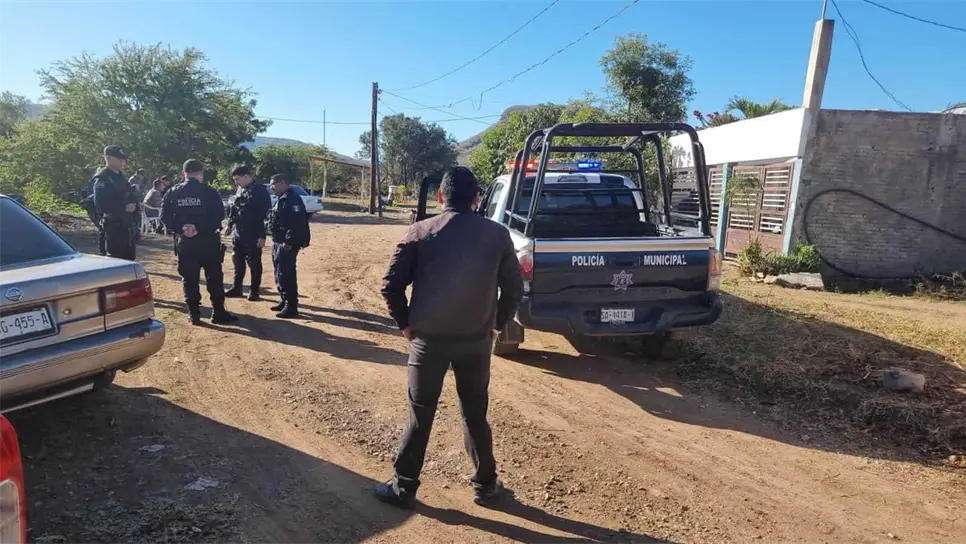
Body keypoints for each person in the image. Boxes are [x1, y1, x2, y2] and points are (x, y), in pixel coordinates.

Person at [375, 166, 525, 509]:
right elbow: (514, 289)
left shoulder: (420, 231)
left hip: (428, 340)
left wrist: (405, 324)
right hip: (476, 341)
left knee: (420, 412)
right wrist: (496, 325)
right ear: (476, 200)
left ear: (440, 197)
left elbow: (391, 285)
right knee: (475, 412)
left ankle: (404, 487)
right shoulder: (498, 234)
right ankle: (486, 486)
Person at [160, 159, 238, 326]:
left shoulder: (172, 192)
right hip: (208, 242)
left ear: (184, 173)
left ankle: (194, 314)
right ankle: (218, 312)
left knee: (189, 279)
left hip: (185, 244)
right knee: (214, 278)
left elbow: (164, 217)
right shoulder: (209, 192)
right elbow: (219, 216)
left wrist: (182, 229)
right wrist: (198, 228)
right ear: (201, 173)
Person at [225, 166, 272, 301]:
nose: (236, 182)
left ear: (246, 176)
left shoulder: (260, 191)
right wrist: (230, 224)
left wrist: (263, 236)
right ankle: (236, 288)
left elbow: (266, 215)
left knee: (254, 263)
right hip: (239, 232)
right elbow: (234, 209)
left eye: (237, 179)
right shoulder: (241, 189)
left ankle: (255, 291)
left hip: (253, 233)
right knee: (238, 261)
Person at [267, 173, 310, 318]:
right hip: (278, 241)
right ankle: (284, 299)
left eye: (273, 184)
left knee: (287, 273)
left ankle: (291, 306)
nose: (271, 187)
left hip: (287, 243)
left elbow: (296, 223)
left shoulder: (293, 199)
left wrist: (289, 241)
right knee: (279, 272)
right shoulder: (281, 199)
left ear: (283, 183)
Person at [92, 145, 139, 260]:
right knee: (115, 261)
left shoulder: (121, 177)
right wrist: (124, 207)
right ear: (108, 158)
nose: (123, 162)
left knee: (128, 261)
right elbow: (101, 203)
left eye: (123, 159)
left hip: (127, 227)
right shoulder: (102, 178)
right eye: (119, 159)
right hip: (113, 228)